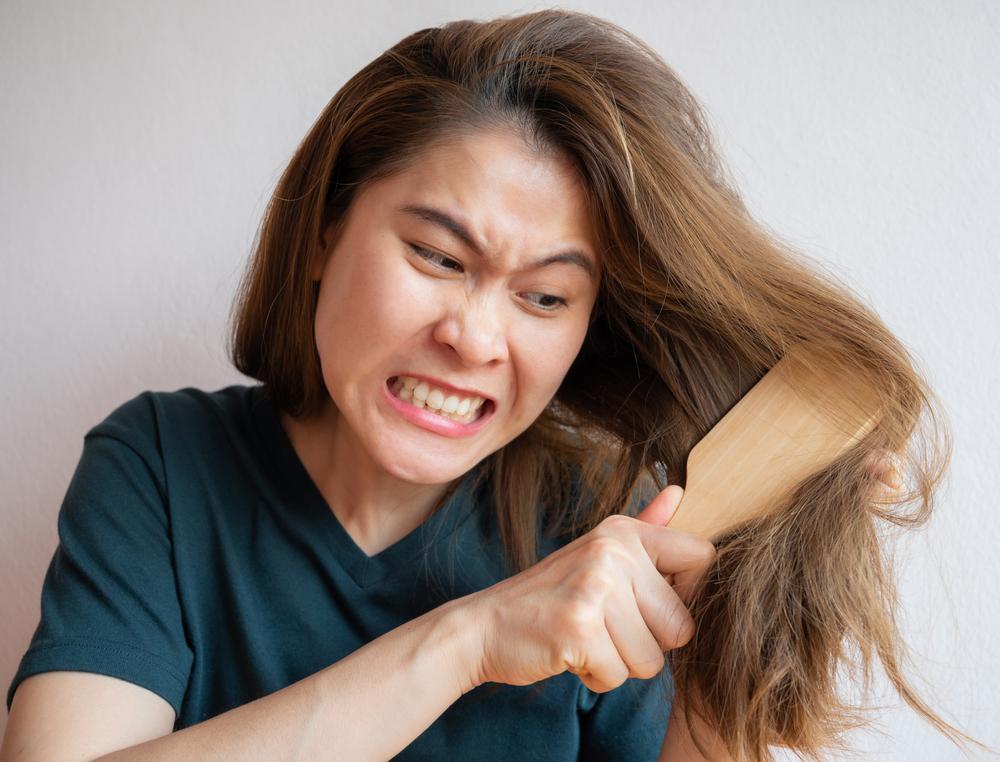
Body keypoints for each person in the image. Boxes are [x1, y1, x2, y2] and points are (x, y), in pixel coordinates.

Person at [0, 9, 953, 762]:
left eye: (544, 295)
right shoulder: (163, 467)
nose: (472, 337)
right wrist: (465, 642)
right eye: (437, 255)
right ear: (327, 229)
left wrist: (742, 642)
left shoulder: (621, 528)